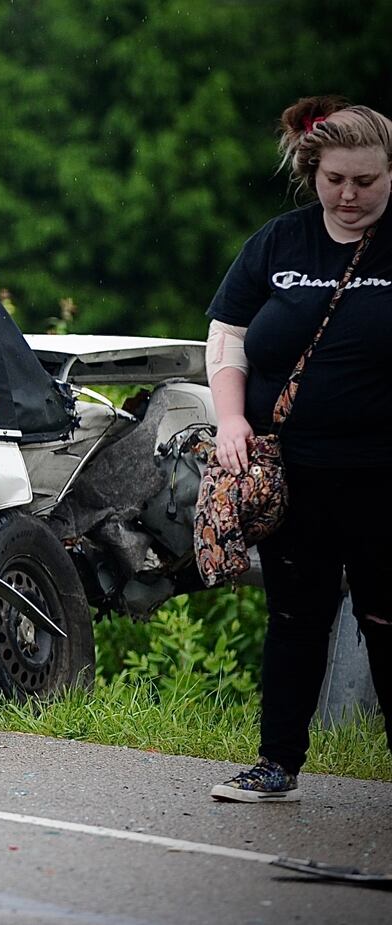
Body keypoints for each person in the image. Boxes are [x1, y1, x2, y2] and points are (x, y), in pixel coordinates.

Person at [204, 95, 392, 802]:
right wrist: (229, 420)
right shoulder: (279, 242)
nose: (349, 195)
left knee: (385, 621)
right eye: (335, 179)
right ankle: (276, 764)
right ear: (314, 169)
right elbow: (228, 338)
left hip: (381, 477)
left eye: (366, 182)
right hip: (291, 476)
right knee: (294, 619)